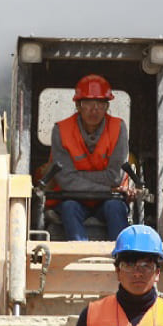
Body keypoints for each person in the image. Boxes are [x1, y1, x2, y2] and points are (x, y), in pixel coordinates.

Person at [47, 74, 134, 241]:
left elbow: (115, 177)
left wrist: (77, 177)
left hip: (108, 201)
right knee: (69, 207)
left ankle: (121, 256)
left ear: (107, 106)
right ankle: (79, 256)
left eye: (100, 103)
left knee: (115, 207)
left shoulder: (118, 128)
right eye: (87, 103)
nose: (94, 109)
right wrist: (108, 189)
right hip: (74, 199)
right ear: (78, 105)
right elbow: (66, 181)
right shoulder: (61, 130)